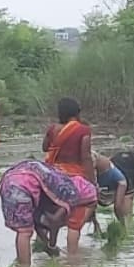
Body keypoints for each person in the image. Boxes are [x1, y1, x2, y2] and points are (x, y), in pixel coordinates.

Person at [0, 160, 97, 265]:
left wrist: (46, 243)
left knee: (23, 231)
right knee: (25, 233)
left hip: (8, 180)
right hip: (26, 181)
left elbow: (38, 224)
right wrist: (52, 246)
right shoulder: (70, 194)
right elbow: (54, 222)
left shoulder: (55, 188)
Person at [41, 98, 95, 249]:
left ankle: (50, 245)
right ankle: (72, 258)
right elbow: (86, 157)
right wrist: (92, 182)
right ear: (77, 112)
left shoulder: (53, 129)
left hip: (51, 175)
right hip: (73, 176)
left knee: (54, 208)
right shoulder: (83, 130)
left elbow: (45, 148)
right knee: (79, 214)